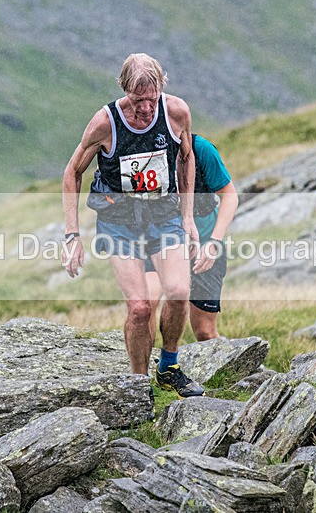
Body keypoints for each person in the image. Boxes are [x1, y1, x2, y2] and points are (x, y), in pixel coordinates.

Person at [61, 53, 204, 397]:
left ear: (161, 90)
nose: (144, 108)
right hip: (119, 221)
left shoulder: (176, 113)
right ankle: (139, 386)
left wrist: (188, 216)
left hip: (163, 215)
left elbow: (186, 157)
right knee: (140, 307)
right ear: (125, 90)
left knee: (180, 292)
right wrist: (72, 234)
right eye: (137, 100)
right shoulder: (105, 123)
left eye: (151, 99)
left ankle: (168, 367)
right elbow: (72, 173)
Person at [146, 133, 238, 342]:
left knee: (205, 332)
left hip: (205, 238)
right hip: (158, 239)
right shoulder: (143, 147)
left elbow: (230, 196)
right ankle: (146, 370)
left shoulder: (202, 149)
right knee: (145, 306)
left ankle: (227, 366)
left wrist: (214, 243)